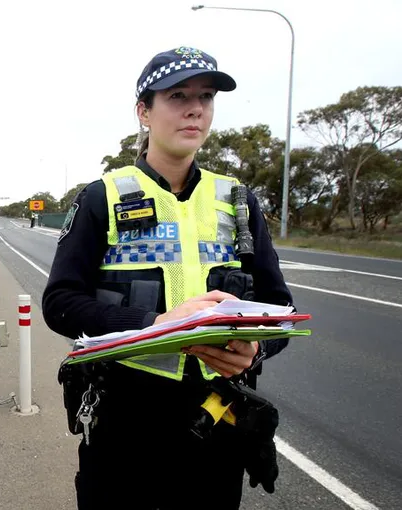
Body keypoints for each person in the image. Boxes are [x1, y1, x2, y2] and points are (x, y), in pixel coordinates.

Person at [42, 46, 294, 509]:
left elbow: (282, 309)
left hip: (218, 414)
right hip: (126, 416)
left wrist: (256, 348)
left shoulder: (238, 201)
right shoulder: (103, 197)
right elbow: (60, 302)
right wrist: (155, 324)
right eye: (178, 95)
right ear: (144, 111)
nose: (195, 107)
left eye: (206, 96)